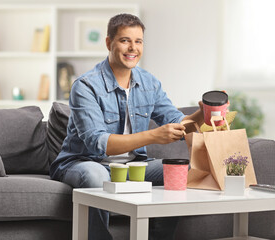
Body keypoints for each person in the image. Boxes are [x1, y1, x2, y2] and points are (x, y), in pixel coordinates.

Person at [50, 13, 204, 240]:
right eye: (124, 40)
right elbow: (98, 143)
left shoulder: (149, 83)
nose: (133, 48)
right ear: (108, 43)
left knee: (181, 171)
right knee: (95, 175)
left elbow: (177, 122)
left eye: (138, 41)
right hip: (84, 161)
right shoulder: (85, 86)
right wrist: (152, 135)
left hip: (134, 166)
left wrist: (205, 112)